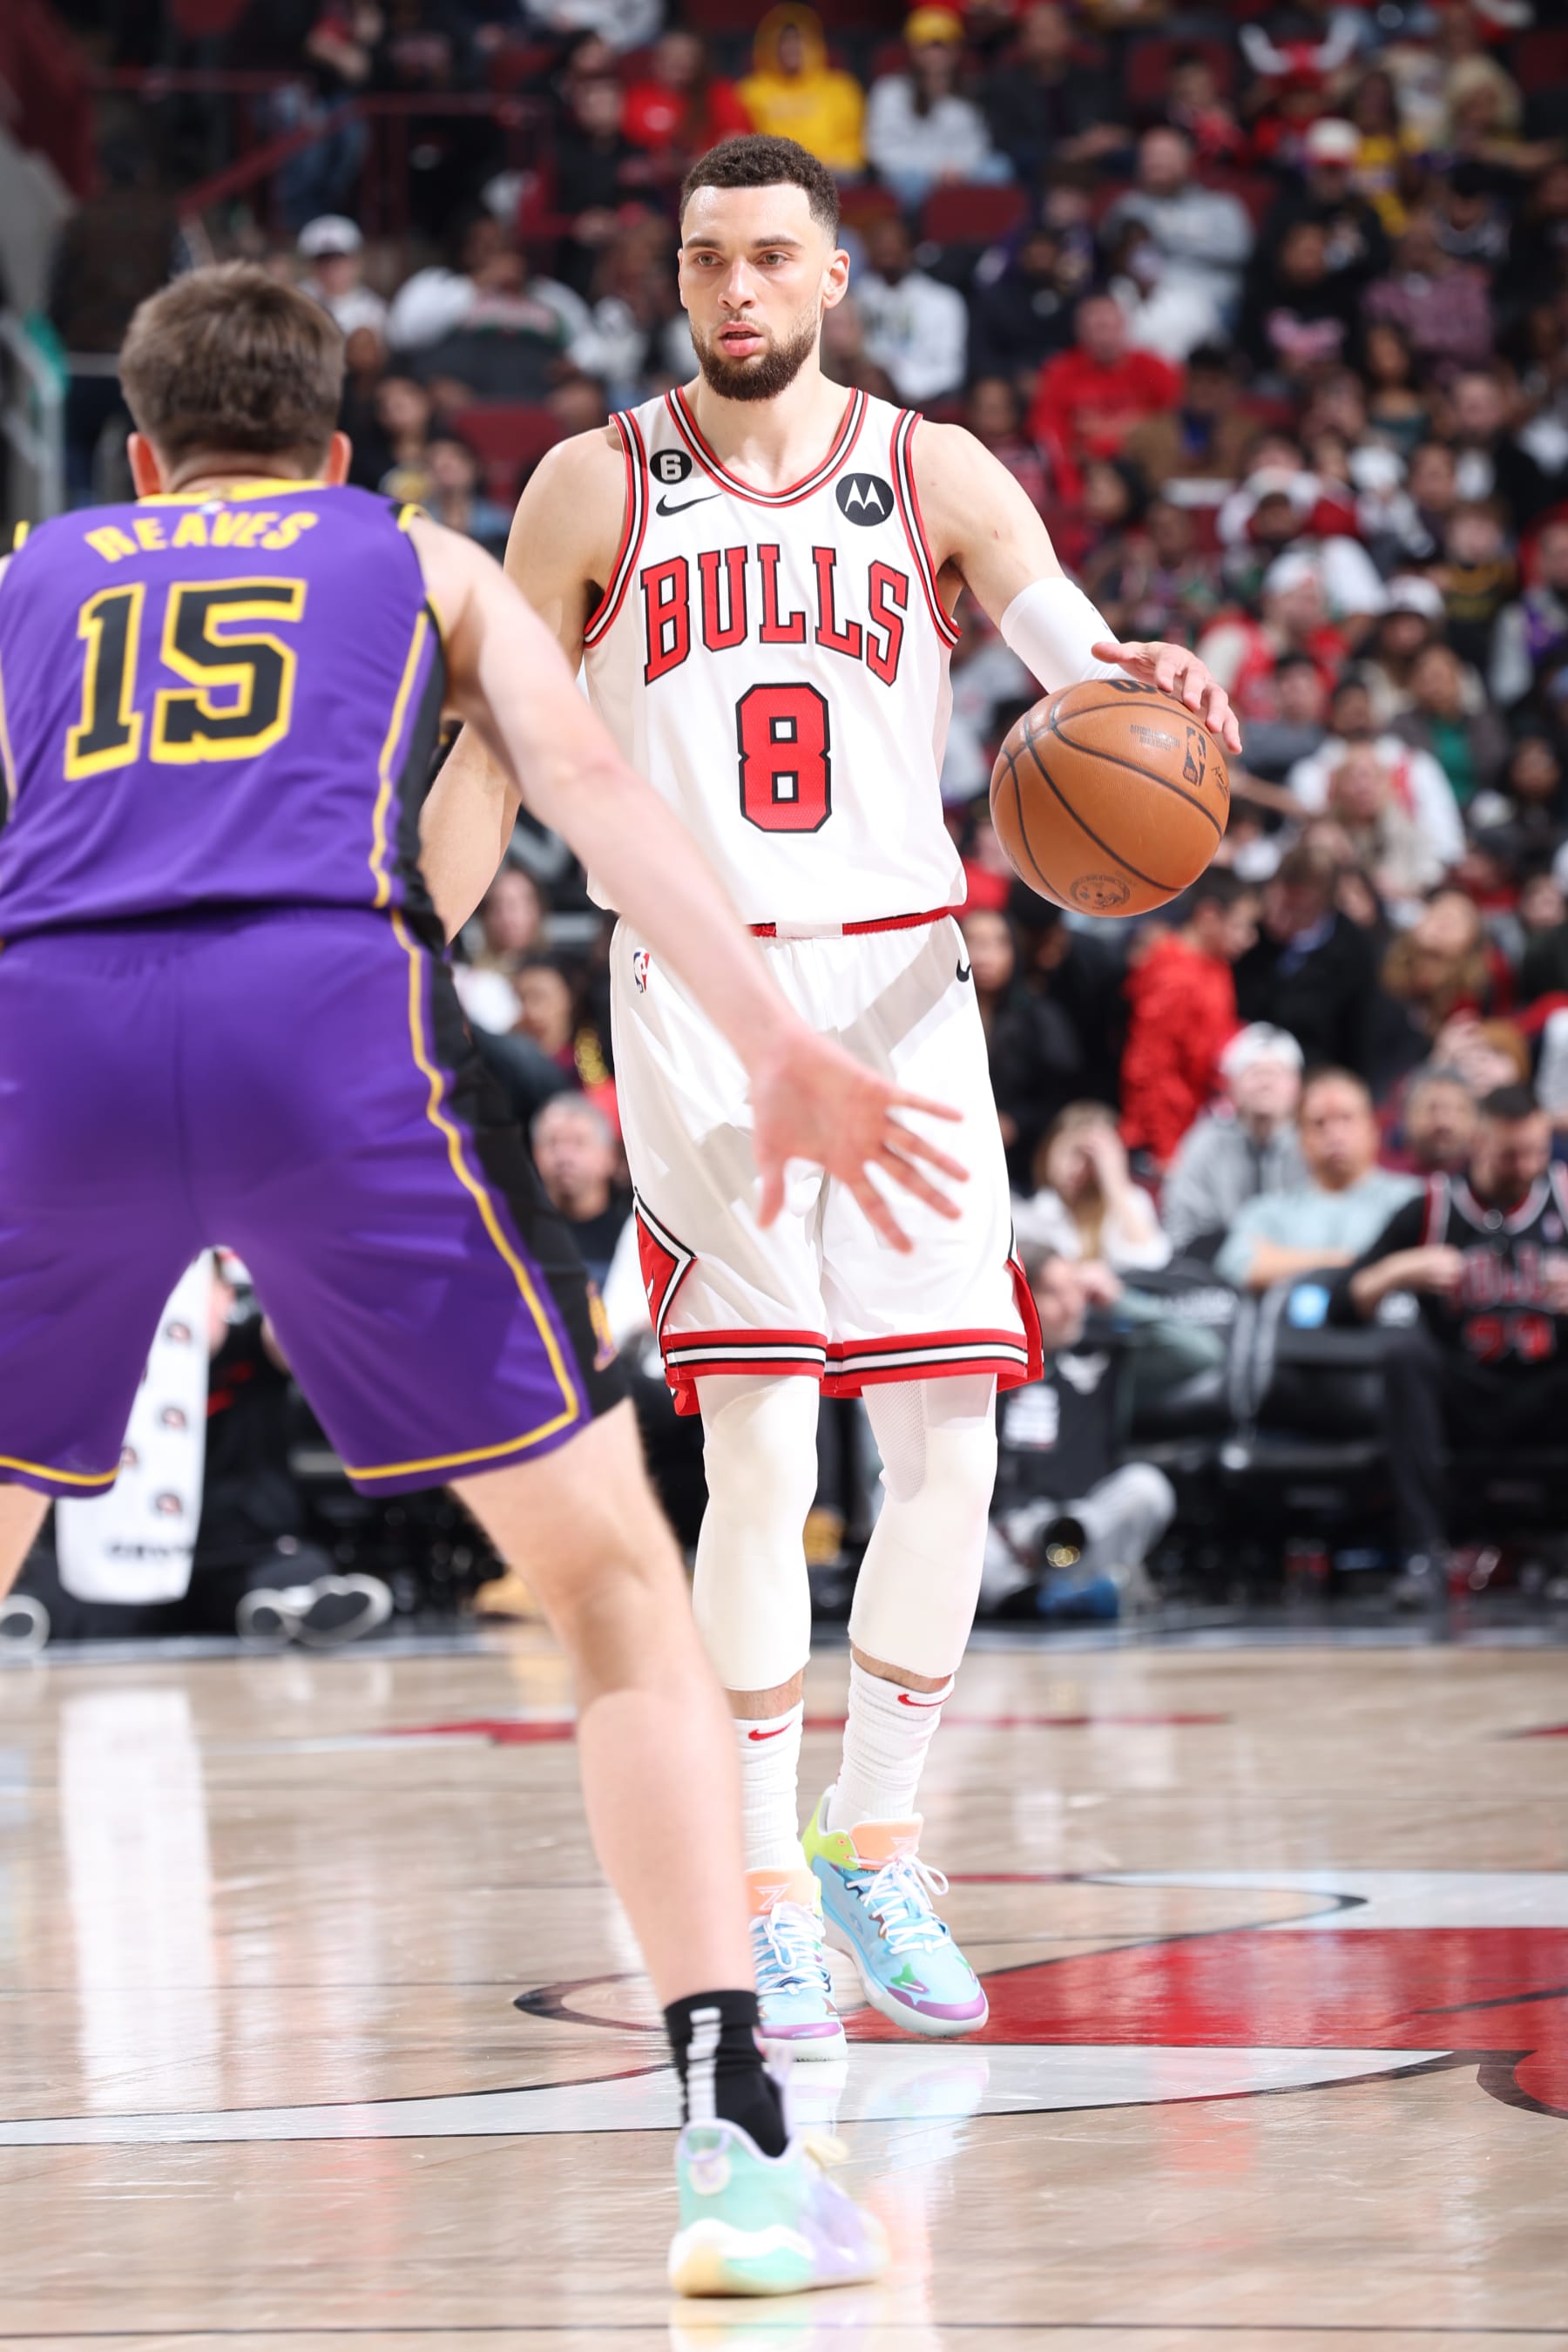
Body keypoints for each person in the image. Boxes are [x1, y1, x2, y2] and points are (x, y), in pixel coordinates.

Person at [0, 262, 961, 2296]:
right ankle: (737, 2154)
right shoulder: (412, 549)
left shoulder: (32, 566)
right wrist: (780, 1035)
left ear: (141, 450)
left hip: (50, 1037)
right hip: (317, 1016)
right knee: (617, 1590)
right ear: (338, 451)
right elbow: (593, 792)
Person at [431, 132, 1239, 2060]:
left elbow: (1082, 666)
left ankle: (874, 1836)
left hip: (903, 988)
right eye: (709, 259)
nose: (737, 291)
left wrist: (1157, 681)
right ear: (679, 276)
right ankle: (766, 1891)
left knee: (954, 1434)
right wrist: (404, 944)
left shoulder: (936, 471)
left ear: (835, 278)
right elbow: (489, 745)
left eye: (772, 259)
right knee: (770, 1448)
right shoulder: (588, 483)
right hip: (704, 995)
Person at [1334, 1085, 1568, 1601]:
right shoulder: (1432, 1208)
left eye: (1537, 1151)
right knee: (1403, 1355)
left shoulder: (1564, 1199)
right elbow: (1341, 1304)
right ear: (1479, 1141)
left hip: (1546, 1389)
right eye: (1512, 1154)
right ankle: (1422, 1556)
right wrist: (1397, 1270)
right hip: (1464, 1392)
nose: (1528, 1164)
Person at [981, 1247, 1175, 1619]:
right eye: (1056, 1293)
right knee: (902, 1490)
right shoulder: (990, 1355)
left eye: (1077, 1291)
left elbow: (1203, 1354)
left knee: (1147, 1486)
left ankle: (1065, 1594)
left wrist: (1121, 1300)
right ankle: (1022, 1598)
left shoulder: (1106, 1353)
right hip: (999, 1537)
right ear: (1021, 1296)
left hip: (1080, 1529)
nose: (1073, 1306)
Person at [1215, 1069, 1420, 1294]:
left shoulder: (1411, 1199)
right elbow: (1237, 1265)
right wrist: (1344, 1263)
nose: (1334, 1133)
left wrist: (1282, 1261)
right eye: (1319, 1123)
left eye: (1346, 1118)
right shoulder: (1270, 1210)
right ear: (1301, 1139)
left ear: (1373, 1129)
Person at [1120, 871, 1258, 1168]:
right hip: (1163, 1142)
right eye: (1240, 926)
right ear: (1209, 915)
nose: (1250, 939)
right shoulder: (1172, 976)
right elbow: (1149, 1067)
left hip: (1196, 1123)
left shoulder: (1216, 964)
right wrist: (1165, 1148)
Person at [1233, 841, 1387, 1078]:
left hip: (1314, 1071)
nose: (1283, 917)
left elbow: (1359, 1036)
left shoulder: (1355, 951)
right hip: (1243, 1061)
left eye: (1297, 909)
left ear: (1324, 907)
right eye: (1279, 903)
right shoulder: (1249, 930)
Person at [1100, 126, 1254, 361]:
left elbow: (1239, 249)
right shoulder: (1128, 206)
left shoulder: (1220, 207)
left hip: (1202, 298)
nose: (1156, 164)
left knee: (1172, 322)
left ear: (1187, 162)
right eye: (1150, 157)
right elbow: (1108, 246)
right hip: (1141, 297)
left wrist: (1167, 239)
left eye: (1165, 156)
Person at [1159, 1023, 1307, 1258]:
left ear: (1297, 1087)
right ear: (1231, 1086)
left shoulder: (1312, 1143)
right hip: (1216, 1269)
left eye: (1277, 1072)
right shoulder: (1205, 1143)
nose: (1265, 1082)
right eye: (1254, 1072)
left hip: (1301, 1265)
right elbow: (1180, 1225)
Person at [1029, 295, 1183, 505]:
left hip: (1143, 475)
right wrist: (1071, 492)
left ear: (1124, 326)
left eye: (1110, 327)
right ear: (1080, 332)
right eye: (1096, 329)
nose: (1104, 337)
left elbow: (1175, 421)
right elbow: (1050, 436)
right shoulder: (1060, 372)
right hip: (1088, 476)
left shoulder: (1154, 367)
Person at [864, 7, 1011, 210]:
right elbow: (881, 150)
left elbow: (978, 143)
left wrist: (959, 169)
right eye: (928, 46)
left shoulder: (968, 91)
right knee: (905, 183)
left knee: (999, 168)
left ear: (956, 50)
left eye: (943, 46)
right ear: (913, 50)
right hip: (912, 174)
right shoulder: (890, 90)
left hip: (960, 171)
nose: (936, 54)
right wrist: (935, 170)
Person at [1016, 1101, 1172, 1272]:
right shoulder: (1039, 1206)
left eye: (1091, 1160)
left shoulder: (1123, 1201)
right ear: (1050, 1148)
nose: (1077, 1168)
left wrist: (1116, 1182)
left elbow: (1151, 1258)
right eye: (1074, 1153)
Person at [851, 212, 969, 408]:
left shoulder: (943, 301)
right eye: (880, 244)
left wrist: (903, 386)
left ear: (910, 248)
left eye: (894, 243)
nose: (887, 250)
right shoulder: (853, 299)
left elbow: (952, 371)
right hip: (863, 401)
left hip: (924, 403)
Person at [738, 6, 866, 175]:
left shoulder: (841, 88)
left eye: (799, 40)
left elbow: (854, 143)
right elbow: (743, 143)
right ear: (770, 45)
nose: (792, 48)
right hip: (771, 176)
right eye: (784, 42)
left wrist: (835, 162)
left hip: (833, 173)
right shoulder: (750, 91)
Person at [531, 1094, 629, 1287]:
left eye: (578, 1143)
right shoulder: (516, 1236)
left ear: (609, 1156)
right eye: (553, 1143)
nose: (564, 1156)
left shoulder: (634, 1237)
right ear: (536, 1154)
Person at [297, 215, 389, 341]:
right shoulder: (298, 300)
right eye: (322, 260)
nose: (330, 268)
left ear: (356, 262)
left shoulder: (374, 311)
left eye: (338, 260)